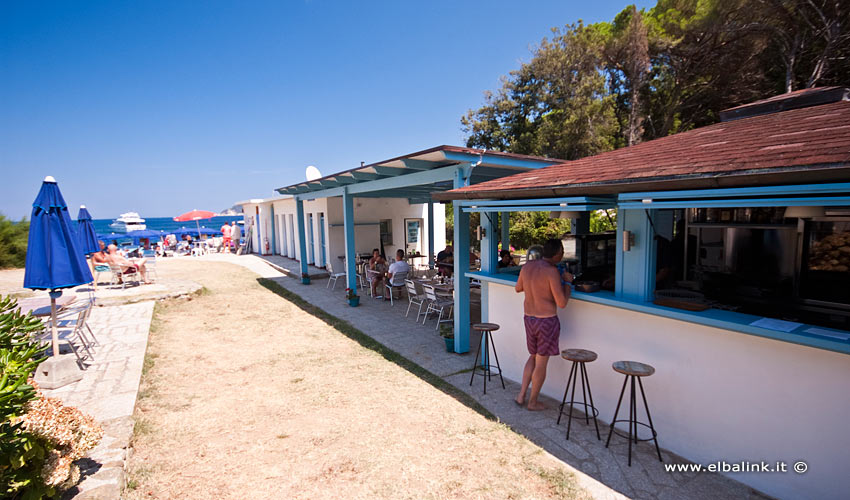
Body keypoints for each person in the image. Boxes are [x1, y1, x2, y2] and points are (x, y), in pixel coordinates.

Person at [514, 238, 574, 411]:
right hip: (546, 320)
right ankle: (532, 402)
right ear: (558, 254)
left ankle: (521, 396)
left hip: (529, 318)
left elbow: (518, 288)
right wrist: (568, 282)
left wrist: (533, 286)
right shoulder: (552, 271)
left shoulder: (527, 267)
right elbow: (562, 302)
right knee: (541, 363)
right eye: (562, 253)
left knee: (532, 356)